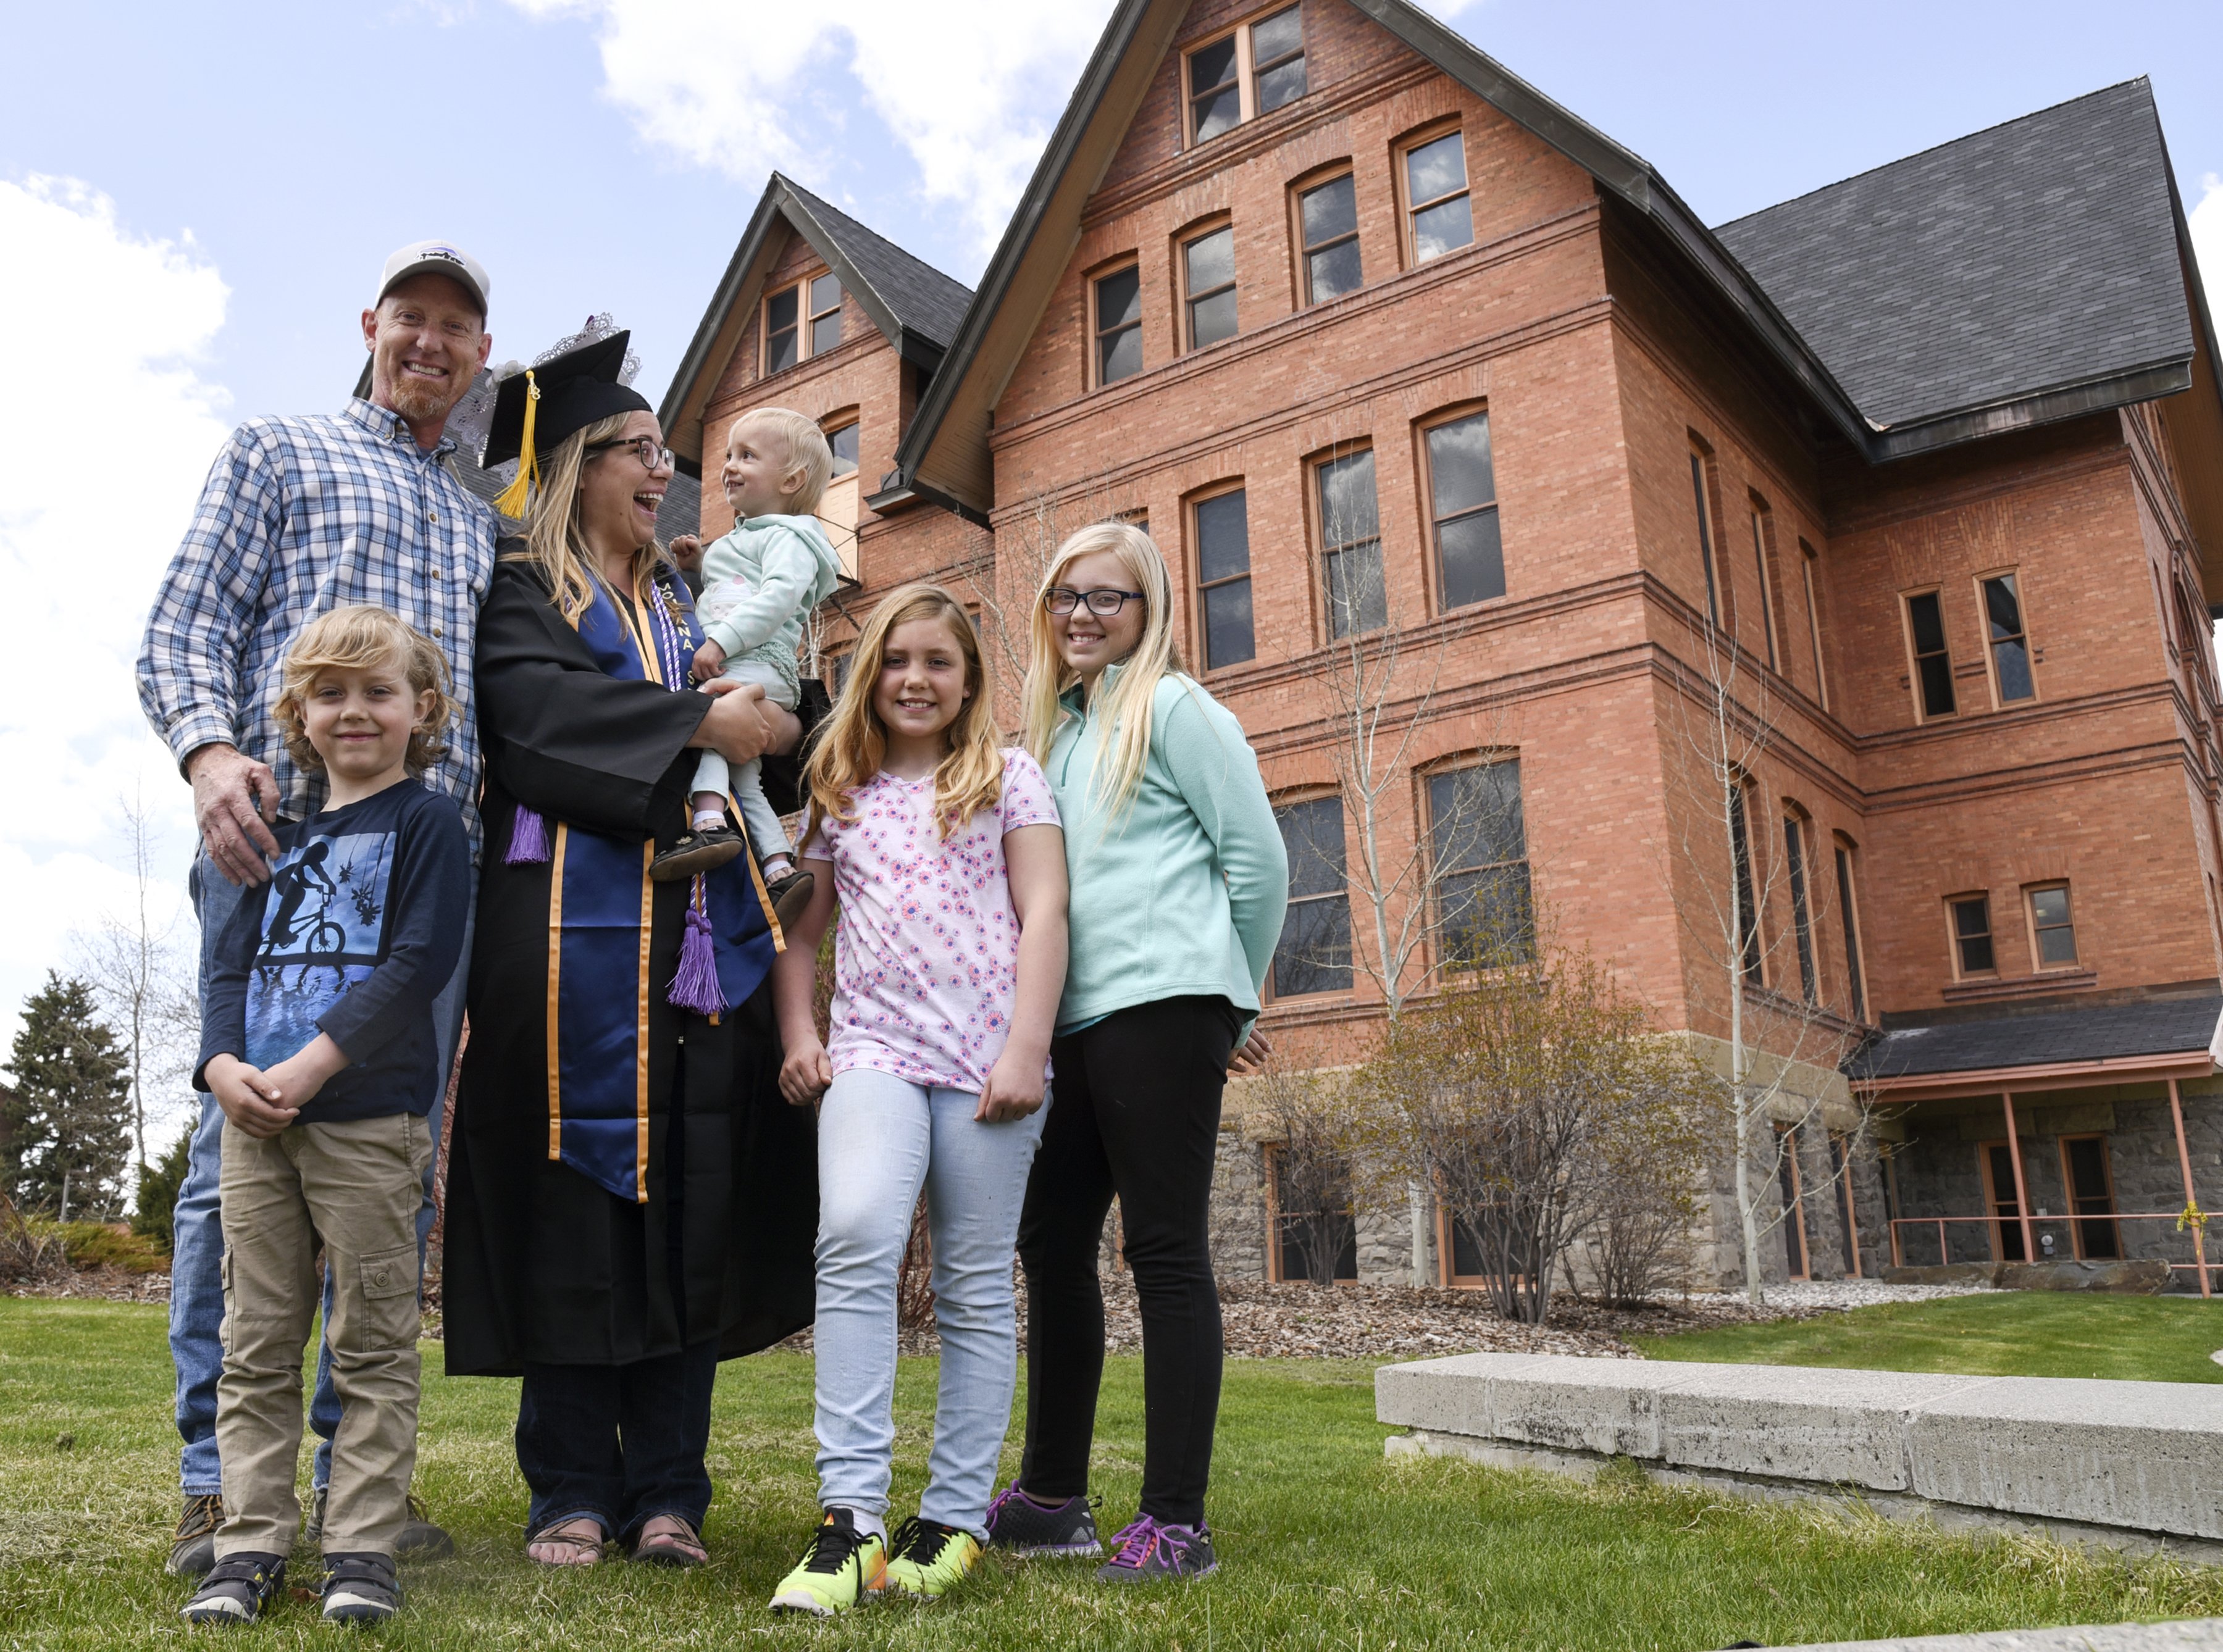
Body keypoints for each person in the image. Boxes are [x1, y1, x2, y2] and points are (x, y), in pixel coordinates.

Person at [136, 239, 499, 1577]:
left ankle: (360, 1496)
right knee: (236, 1151)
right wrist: (207, 754)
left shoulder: (480, 518)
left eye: (457, 327)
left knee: (390, 1161)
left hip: (422, 870)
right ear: (370, 326)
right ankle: (216, 1487)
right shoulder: (279, 451)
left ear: (481, 357)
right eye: (412, 317)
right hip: (273, 846)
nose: (431, 342)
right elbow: (182, 626)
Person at [439, 332, 819, 1571]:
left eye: (667, 451)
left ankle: (667, 1490)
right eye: (642, 451)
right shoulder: (521, 590)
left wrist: (779, 726)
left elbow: (770, 733)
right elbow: (537, 720)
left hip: (693, 945)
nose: (667, 471)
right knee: (573, 1200)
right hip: (558, 947)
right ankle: (569, 1486)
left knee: (690, 1199)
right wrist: (704, 721)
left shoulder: (680, 604)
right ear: (575, 464)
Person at [986, 522, 1287, 1582]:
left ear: (1148, 610)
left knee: (1162, 1250)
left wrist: (1229, 1002)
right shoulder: (1055, 733)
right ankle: (1052, 1499)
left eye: (1106, 597)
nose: (1081, 615)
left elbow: (1260, 862)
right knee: (1051, 1243)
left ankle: (1176, 1524)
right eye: (1065, 595)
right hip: (1070, 1021)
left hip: (1165, 1003)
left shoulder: (1174, 707)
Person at [764, 583, 1069, 1615]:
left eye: (939, 661)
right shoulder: (839, 791)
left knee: (975, 1286)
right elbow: (801, 934)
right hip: (874, 1053)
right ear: (868, 676)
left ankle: (952, 1520)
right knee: (855, 1234)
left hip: (991, 1065)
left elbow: (1045, 911)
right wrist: (800, 1036)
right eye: (896, 660)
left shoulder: (1009, 775)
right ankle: (850, 1522)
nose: (915, 679)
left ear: (970, 679)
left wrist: (1027, 1049)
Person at [178, 607, 469, 1627]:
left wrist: (307, 1067)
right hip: (258, 1130)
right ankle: (248, 1548)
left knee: (372, 1344)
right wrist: (222, 1066)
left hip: (368, 1126)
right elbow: (226, 969)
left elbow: (417, 965)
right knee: (256, 1345)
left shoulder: (428, 826)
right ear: (297, 715)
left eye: (378, 691)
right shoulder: (276, 840)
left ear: (422, 710)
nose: (354, 711)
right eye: (330, 693)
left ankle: (360, 1550)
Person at [650, 406, 841, 928]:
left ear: (791, 481)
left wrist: (719, 641)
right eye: (729, 454)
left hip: (759, 664)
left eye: (747, 456)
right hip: (744, 661)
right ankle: (779, 866)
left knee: (712, 725)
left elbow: (777, 598)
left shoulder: (792, 538)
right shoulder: (747, 536)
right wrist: (697, 565)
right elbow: (734, 582)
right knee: (745, 773)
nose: (729, 466)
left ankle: (709, 823)